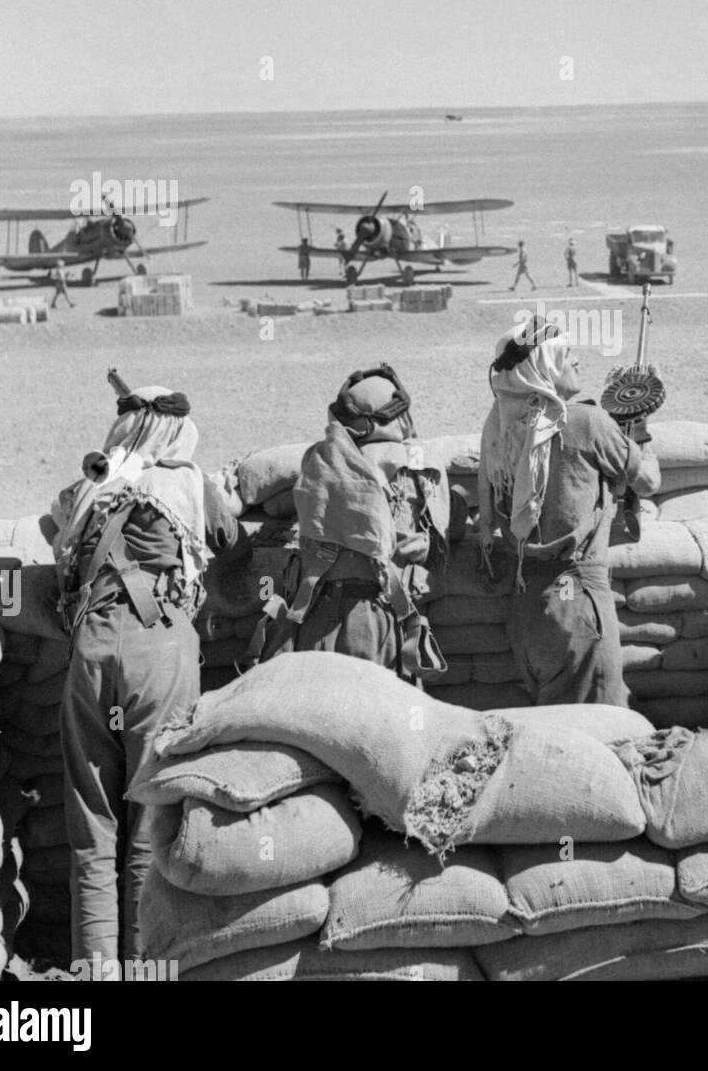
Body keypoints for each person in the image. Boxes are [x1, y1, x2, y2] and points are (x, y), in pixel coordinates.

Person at [52, 380, 240, 970]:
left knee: (92, 828)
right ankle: (146, 968)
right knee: (148, 830)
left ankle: (96, 972)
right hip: (160, 658)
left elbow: (52, 529)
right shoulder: (188, 482)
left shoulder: (92, 484)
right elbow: (232, 545)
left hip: (92, 651)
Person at [477, 319, 660, 705]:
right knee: (600, 735)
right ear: (544, 364)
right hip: (577, 605)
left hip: (529, 609)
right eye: (566, 353)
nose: (576, 359)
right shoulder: (587, 422)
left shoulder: (497, 426)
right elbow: (647, 482)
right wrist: (637, 431)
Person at [258, 366, 450, 678]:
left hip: (316, 613)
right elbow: (445, 533)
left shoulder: (319, 459)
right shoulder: (420, 464)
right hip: (382, 615)